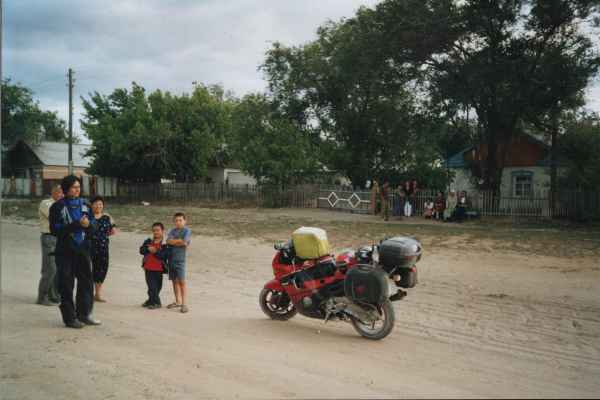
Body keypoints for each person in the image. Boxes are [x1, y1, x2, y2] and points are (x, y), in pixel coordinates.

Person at [50, 175, 100, 328]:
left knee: (86, 282)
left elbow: (93, 226)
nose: (77, 190)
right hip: (65, 250)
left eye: (78, 187)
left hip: (83, 249)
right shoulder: (58, 206)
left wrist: (88, 226)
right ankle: (70, 318)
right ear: (66, 189)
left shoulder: (85, 205)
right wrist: (76, 225)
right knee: (66, 283)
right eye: (73, 187)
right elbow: (55, 230)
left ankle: (84, 314)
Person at [37, 185, 64, 306]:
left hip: (60, 238)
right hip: (49, 238)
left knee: (58, 268)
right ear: (54, 193)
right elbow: (56, 217)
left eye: (63, 193)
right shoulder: (46, 203)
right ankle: (42, 297)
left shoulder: (62, 204)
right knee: (50, 268)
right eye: (60, 193)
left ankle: (54, 295)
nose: (62, 195)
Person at [90, 195, 117, 302]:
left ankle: (97, 294)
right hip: (89, 247)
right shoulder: (88, 216)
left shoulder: (107, 217)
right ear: (91, 205)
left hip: (103, 248)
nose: (98, 206)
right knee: (88, 270)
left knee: (101, 270)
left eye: (100, 204)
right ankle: (88, 293)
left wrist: (102, 236)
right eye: (96, 204)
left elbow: (113, 231)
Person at [166, 212, 192, 313]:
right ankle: (177, 301)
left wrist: (175, 241)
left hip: (180, 260)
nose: (178, 222)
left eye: (180, 220)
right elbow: (168, 241)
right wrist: (179, 241)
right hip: (171, 259)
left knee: (182, 282)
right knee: (174, 281)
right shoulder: (172, 230)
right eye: (176, 220)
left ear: (185, 221)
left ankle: (184, 304)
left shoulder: (187, 230)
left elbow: (185, 242)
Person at [140, 222, 169, 309]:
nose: (156, 232)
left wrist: (156, 252)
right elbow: (141, 250)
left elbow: (165, 255)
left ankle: (151, 300)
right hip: (148, 267)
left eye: (158, 230)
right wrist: (148, 249)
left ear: (163, 231)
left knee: (157, 286)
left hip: (159, 268)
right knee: (151, 286)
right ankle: (157, 303)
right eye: (154, 230)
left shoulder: (165, 243)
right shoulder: (149, 241)